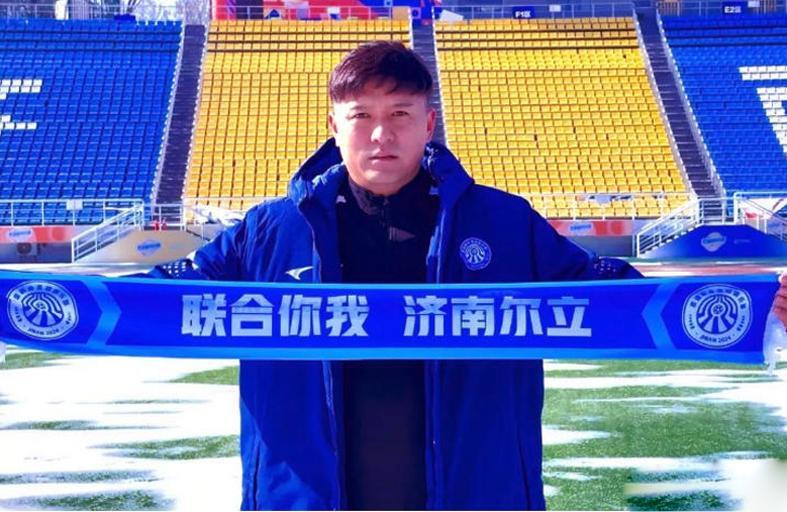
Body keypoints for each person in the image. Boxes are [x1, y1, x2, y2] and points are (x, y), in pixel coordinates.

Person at [151, 42, 787, 510]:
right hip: (305, 495)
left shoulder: (502, 222)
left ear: (429, 123)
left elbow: (608, 291)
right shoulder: (271, 229)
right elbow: (165, 294)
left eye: (401, 114)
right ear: (334, 127)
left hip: (476, 490)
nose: (380, 133)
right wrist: (86, 302)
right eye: (361, 115)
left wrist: (755, 302)